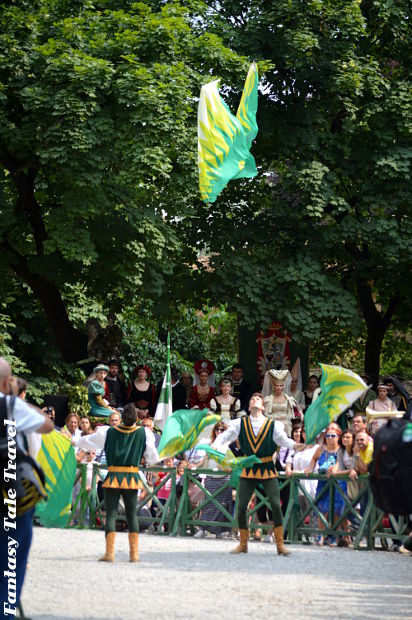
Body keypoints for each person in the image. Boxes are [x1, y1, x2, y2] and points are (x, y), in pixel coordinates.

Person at [213, 392, 305, 555]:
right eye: (252, 398)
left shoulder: (273, 425)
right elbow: (225, 436)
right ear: (249, 406)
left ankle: (279, 544)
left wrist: (295, 446)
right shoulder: (239, 424)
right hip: (248, 469)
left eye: (258, 399)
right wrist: (215, 445)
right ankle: (243, 543)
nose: (255, 400)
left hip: (267, 468)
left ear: (263, 406)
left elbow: (283, 440)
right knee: (241, 507)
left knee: (276, 505)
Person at [0, 357, 54, 613]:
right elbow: (47, 424)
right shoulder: (10, 405)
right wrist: (15, 398)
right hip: (10, 489)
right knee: (11, 560)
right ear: (6, 382)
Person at [78, 403, 159, 562]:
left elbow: (88, 441)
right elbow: (153, 458)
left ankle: (109, 553)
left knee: (111, 516)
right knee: (131, 515)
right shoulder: (145, 433)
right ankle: (134, 554)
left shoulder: (108, 432)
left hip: (113, 476)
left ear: (122, 418)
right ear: (136, 418)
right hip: (131, 478)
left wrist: (74, 442)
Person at [305, 422, 347, 546]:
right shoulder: (321, 448)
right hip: (323, 483)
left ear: (338, 436)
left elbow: (341, 462)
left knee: (337, 510)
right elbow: (314, 458)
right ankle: (320, 534)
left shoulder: (341, 449)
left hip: (338, 483)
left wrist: (335, 468)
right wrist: (311, 468)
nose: (330, 438)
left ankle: (334, 535)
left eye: (333, 435)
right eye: (327, 435)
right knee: (322, 508)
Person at [194, 421, 234, 539]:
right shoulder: (211, 444)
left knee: (223, 505)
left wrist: (223, 467)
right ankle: (203, 528)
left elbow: (231, 465)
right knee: (208, 503)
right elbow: (204, 460)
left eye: (222, 430)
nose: (219, 432)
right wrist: (193, 465)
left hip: (224, 478)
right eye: (217, 429)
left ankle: (220, 530)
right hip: (211, 477)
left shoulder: (229, 445)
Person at [262, 369, 300, 437]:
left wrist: (284, 417)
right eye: (277, 385)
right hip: (272, 424)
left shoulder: (289, 399)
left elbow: (291, 414)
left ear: (284, 386)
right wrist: (277, 418)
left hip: (286, 425)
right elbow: (266, 414)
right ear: (273, 386)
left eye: (281, 385)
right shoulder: (268, 399)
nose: (279, 388)